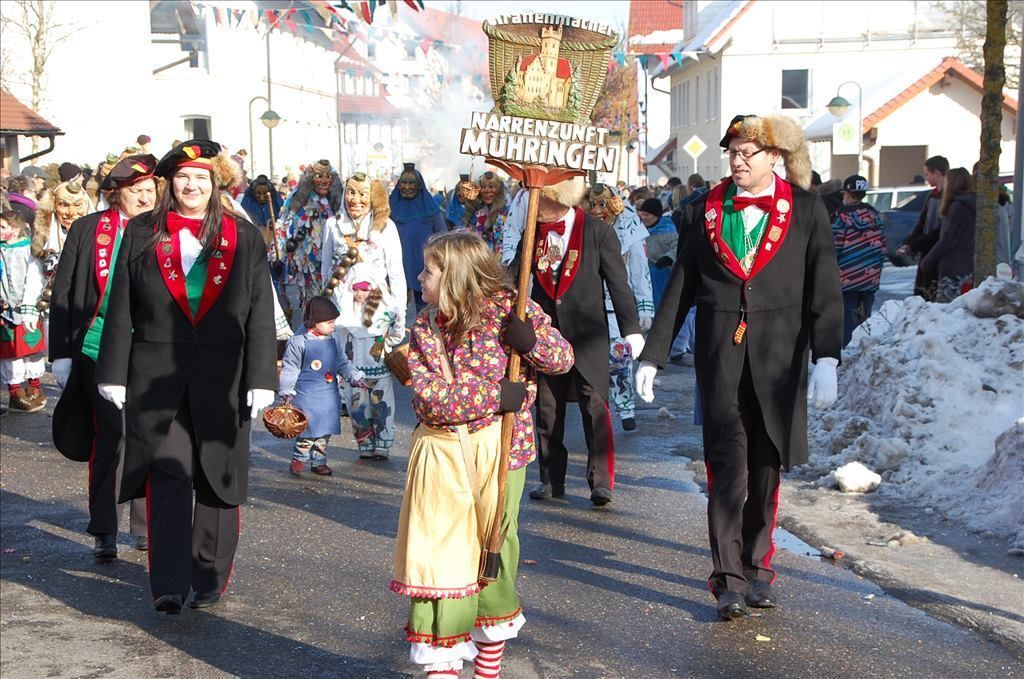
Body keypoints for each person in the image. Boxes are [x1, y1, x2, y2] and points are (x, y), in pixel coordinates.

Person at [636, 113, 843, 621]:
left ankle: (759, 569)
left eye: (749, 152)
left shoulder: (807, 210)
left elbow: (825, 289)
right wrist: (654, 355)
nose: (738, 160)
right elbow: (682, 286)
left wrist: (828, 357)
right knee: (727, 468)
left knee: (767, 469)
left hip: (780, 358)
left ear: (776, 157)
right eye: (732, 151)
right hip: (720, 355)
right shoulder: (705, 209)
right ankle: (727, 578)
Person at [94, 139, 277, 614]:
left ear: (216, 182)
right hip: (156, 380)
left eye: (201, 176)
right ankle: (169, 583)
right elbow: (121, 305)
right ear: (169, 183)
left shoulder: (245, 237)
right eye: (182, 176)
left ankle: (208, 574)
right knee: (168, 472)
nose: (191, 185)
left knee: (217, 475)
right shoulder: (141, 232)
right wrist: (112, 371)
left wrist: (262, 377)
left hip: (225, 376)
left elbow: (260, 313)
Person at [393, 231, 573, 679]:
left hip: (504, 453)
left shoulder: (515, 310)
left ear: (454, 276)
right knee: (441, 555)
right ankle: (443, 667)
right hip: (444, 454)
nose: (419, 278)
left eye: (428, 271)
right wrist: (495, 396)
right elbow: (430, 397)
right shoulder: (426, 327)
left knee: (494, 550)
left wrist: (531, 343)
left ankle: (487, 666)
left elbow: (564, 360)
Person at [48, 154, 156, 558]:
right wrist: (60, 353)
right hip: (97, 346)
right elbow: (64, 294)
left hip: (149, 349)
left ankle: (147, 526)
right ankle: (105, 527)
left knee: (148, 435)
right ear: (116, 194)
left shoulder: (164, 229)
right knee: (110, 436)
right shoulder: (88, 229)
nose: (146, 198)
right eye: (137, 191)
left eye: (150, 190)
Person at [517, 177, 644, 507]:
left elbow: (619, 283)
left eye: (538, 200)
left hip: (588, 335)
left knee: (594, 406)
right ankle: (550, 479)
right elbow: (516, 275)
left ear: (555, 199)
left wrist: (632, 331)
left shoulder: (598, 232)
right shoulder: (532, 232)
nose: (531, 206)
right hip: (546, 335)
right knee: (547, 408)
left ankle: (600, 483)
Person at [584, 183, 653, 432]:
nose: (597, 210)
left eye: (602, 204)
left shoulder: (629, 231)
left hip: (616, 306)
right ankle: (597, 408)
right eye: (592, 204)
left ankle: (625, 407)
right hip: (588, 305)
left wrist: (644, 308)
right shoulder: (583, 230)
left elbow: (640, 272)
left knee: (619, 359)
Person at [278, 295, 362, 476]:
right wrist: (286, 389)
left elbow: (341, 361)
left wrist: (353, 375)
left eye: (334, 322)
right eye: (329, 322)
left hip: (328, 394)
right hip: (306, 395)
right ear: (313, 321)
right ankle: (299, 458)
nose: (333, 326)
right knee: (308, 431)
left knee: (324, 431)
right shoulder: (298, 341)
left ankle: (319, 461)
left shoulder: (333, 338)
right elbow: (290, 368)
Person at [321, 172, 407, 340]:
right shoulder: (332, 225)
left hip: (376, 308)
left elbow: (396, 273)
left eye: (362, 194)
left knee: (372, 359)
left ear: (372, 196)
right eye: (351, 192)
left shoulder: (387, 227)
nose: (355, 200)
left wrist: (400, 313)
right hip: (340, 309)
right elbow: (325, 267)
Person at [335, 263, 404, 460]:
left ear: (372, 287)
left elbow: (396, 333)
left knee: (382, 405)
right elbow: (338, 334)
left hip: (378, 367)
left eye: (364, 289)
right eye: (356, 288)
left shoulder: (384, 309)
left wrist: (386, 343)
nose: (359, 293)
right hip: (354, 369)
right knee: (357, 407)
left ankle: (383, 443)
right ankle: (364, 444)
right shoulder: (346, 308)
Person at [831, 174, 885, 347]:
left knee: (847, 319)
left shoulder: (841, 217)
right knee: (865, 318)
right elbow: (882, 245)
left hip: (846, 277)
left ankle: (847, 352)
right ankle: (862, 349)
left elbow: (835, 246)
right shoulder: (875, 215)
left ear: (847, 194)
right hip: (870, 277)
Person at [0, 210, 46, 412]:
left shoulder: (29, 249)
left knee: (32, 347)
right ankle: (15, 392)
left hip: (27, 307)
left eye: (3, 227)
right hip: (5, 311)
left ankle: (35, 387)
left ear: (16, 228)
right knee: (10, 352)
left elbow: (36, 277)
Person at [281, 159, 344, 307]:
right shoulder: (300, 200)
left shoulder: (339, 202)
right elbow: (286, 224)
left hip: (334, 261)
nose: (323, 181)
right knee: (312, 301)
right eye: (318, 176)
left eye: (327, 176)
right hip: (309, 262)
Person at [390, 162, 448, 310]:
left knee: (425, 311)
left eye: (412, 183)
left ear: (419, 185)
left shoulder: (432, 210)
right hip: (394, 268)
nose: (407, 187)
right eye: (404, 183)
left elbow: (443, 239)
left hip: (423, 268)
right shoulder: (389, 208)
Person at [920, 167, 976, 303]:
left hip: (952, 267)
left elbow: (948, 239)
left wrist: (928, 260)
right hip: (967, 264)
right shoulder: (972, 204)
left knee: (947, 309)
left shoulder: (957, 207)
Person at [897, 155, 949, 300]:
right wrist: (908, 243)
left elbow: (939, 231)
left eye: (927, 174)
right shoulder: (932, 196)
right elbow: (921, 223)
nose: (926, 178)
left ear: (937, 174)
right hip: (926, 250)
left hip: (938, 252)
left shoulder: (948, 197)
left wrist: (915, 244)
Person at [637, 197, 677, 309]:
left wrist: (668, 258)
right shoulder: (638, 229)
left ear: (656, 216)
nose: (643, 218)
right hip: (643, 272)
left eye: (647, 215)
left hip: (661, 272)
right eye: (642, 214)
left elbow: (676, 246)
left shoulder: (668, 229)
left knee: (660, 303)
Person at [461, 171, 510, 257]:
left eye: (492, 186)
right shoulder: (475, 209)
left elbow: (502, 242)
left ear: (499, 189)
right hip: (473, 258)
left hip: (492, 261)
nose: (487, 191)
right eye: (483, 187)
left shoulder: (503, 213)